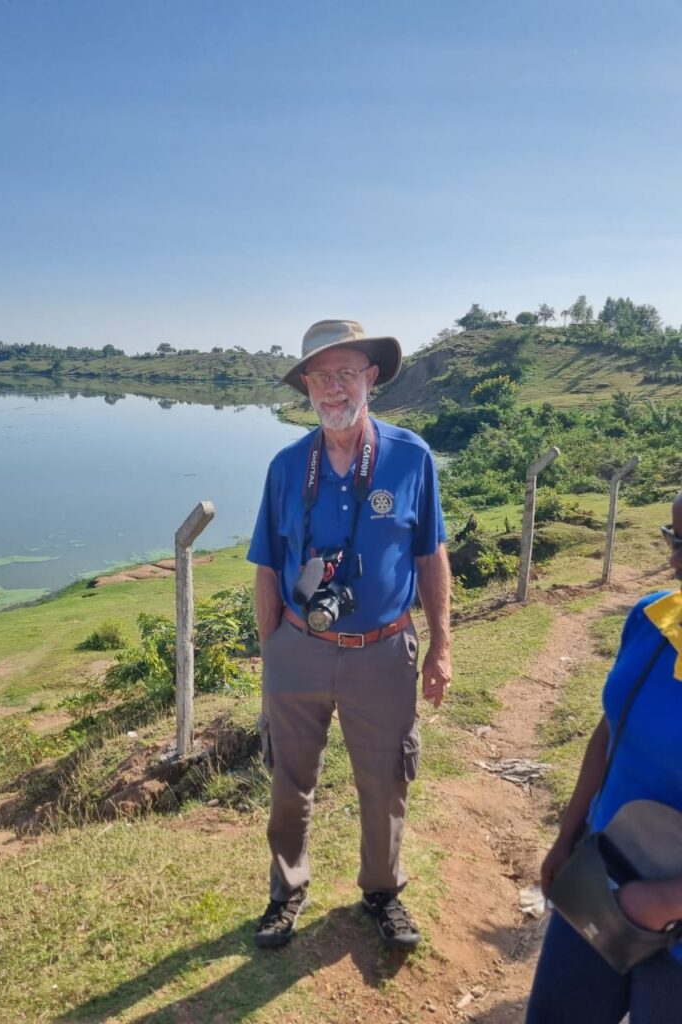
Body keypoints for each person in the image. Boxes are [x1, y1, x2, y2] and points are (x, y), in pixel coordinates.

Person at [247, 319, 452, 950]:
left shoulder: (410, 457)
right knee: (289, 778)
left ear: (371, 379)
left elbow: (430, 557)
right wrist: (271, 653)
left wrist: (441, 646)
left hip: (384, 653)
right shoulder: (286, 467)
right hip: (298, 652)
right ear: (306, 386)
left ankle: (382, 892)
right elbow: (265, 569)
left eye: (345, 374)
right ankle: (287, 892)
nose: (333, 389)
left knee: (385, 778)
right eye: (320, 376)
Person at [526, 491, 682, 1023]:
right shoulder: (654, 620)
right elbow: (608, 732)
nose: (676, 560)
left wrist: (661, 901)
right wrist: (569, 834)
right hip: (600, 879)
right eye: (674, 539)